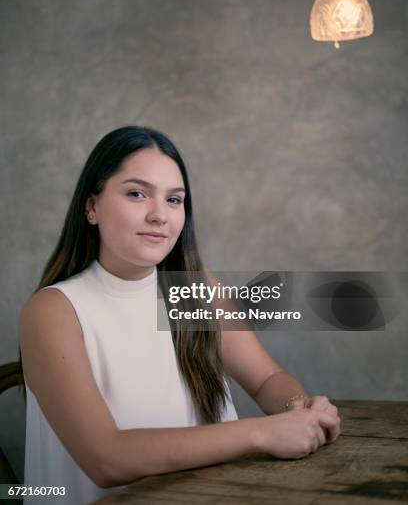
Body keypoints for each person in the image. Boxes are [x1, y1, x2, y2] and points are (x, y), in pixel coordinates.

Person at [19, 126, 340, 504]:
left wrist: (298, 411)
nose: (159, 215)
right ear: (92, 207)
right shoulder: (53, 310)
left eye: (174, 200)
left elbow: (267, 378)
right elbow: (106, 458)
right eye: (137, 194)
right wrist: (261, 433)